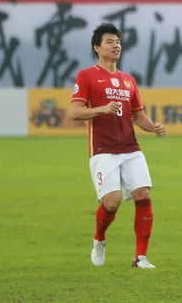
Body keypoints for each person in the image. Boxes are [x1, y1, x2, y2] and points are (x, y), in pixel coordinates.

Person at [71, 23, 166, 269]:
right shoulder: (86, 75)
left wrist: (153, 126)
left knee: (143, 194)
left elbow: (138, 116)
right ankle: (99, 239)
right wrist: (102, 108)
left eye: (117, 42)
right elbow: (76, 112)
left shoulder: (128, 80)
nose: (116, 46)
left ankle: (140, 257)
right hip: (103, 150)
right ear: (97, 47)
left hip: (131, 148)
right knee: (111, 202)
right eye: (110, 42)